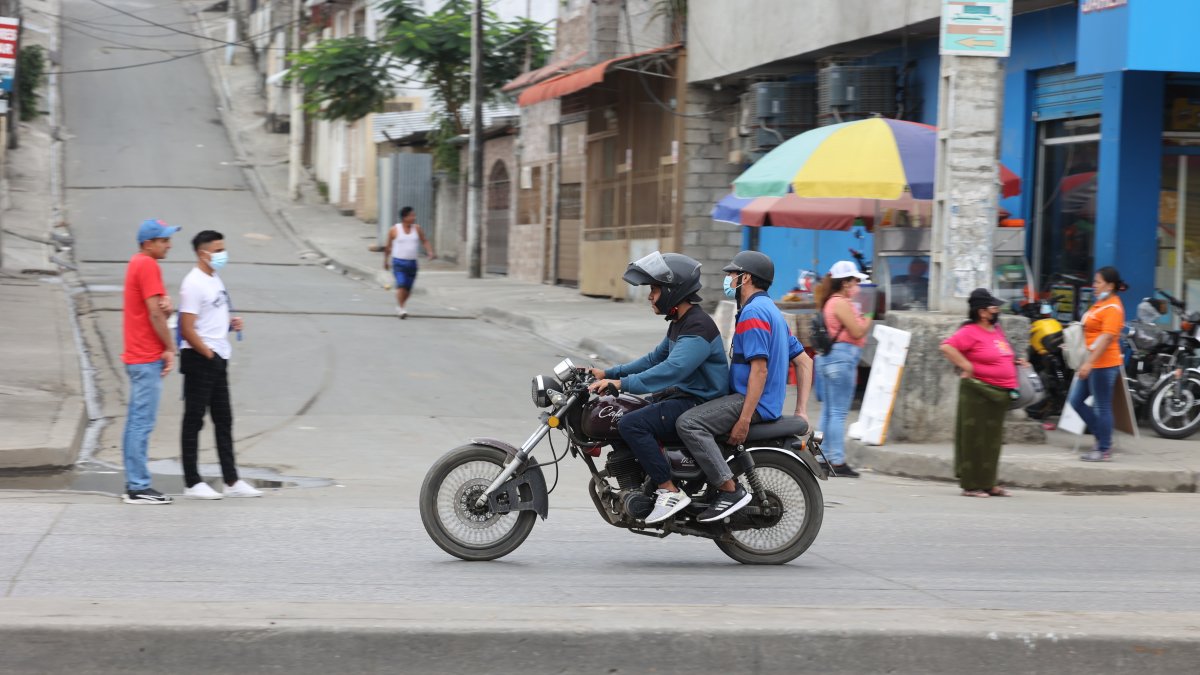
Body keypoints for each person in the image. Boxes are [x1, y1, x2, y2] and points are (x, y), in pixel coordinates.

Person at [586, 252, 729, 524]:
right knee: (626, 412)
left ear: (673, 291)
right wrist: (608, 372)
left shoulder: (698, 327)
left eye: (654, 289)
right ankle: (644, 483)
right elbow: (654, 359)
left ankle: (668, 490)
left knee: (631, 424)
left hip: (699, 403)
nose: (651, 296)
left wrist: (621, 383)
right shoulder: (680, 323)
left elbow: (671, 370)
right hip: (682, 395)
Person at [676, 251, 813, 523]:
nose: (728, 279)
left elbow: (759, 370)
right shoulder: (772, 311)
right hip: (762, 400)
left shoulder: (753, 313)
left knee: (688, 423)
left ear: (746, 277)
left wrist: (745, 419)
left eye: (731, 274)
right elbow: (805, 361)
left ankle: (729, 492)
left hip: (753, 402)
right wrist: (802, 411)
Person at [178, 230, 263, 500]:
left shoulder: (214, 278)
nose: (222, 255)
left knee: (224, 419)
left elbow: (210, 319)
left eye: (222, 249)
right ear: (203, 253)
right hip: (200, 358)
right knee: (194, 420)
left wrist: (229, 324)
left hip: (218, 356)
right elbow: (186, 328)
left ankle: (231, 480)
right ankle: (192, 482)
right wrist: (207, 353)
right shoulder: (193, 283)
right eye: (217, 250)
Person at [940, 288, 1024, 497]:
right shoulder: (969, 331)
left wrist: (1014, 361)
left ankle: (989, 483)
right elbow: (947, 347)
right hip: (978, 391)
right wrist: (966, 366)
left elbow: (999, 353)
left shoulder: (996, 330)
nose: (997, 311)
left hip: (998, 393)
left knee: (992, 441)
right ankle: (971, 485)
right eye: (993, 307)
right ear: (982, 312)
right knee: (974, 438)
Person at [120, 219, 180, 505]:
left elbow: (155, 312)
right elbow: (155, 315)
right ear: (148, 244)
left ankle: (135, 483)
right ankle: (138, 486)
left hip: (138, 356)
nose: (168, 244)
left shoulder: (137, 263)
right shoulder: (147, 265)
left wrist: (166, 310)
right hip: (145, 358)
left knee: (135, 423)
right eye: (163, 240)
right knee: (142, 423)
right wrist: (170, 347)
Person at [812, 260, 872, 478]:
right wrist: (869, 317)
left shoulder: (829, 301)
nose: (857, 285)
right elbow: (857, 331)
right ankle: (836, 460)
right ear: (845, 283)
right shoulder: (841, 303)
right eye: (855, 281)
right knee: (837, 412)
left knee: (828, 411)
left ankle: (820, 456)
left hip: (829, 359)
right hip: (841, 359)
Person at [1069, 266, 1127, 462]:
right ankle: (1103, 437)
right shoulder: (1101, 303)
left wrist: (1089, 363)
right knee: (1076, 400)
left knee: (1102, 407)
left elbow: (1107, 338)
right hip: (1092, 362)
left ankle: (1103, 448)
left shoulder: (1113, 307)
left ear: (1110, 285)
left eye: (1098, 282)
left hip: (1103, 363)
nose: (1094, 285)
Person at [383, 206, 435, 319]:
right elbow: (388, 247)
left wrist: (429, 251)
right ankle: (402, 309)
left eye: (414, 215)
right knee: (401, 285)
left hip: (412, 263)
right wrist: (385, 261)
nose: (414, 217)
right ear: (404, 217)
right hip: (398, 262)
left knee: (408, 289)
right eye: (411, 215)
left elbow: (424, 240)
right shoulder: (394, 230)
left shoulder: (417, 229)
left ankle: (400, 305)